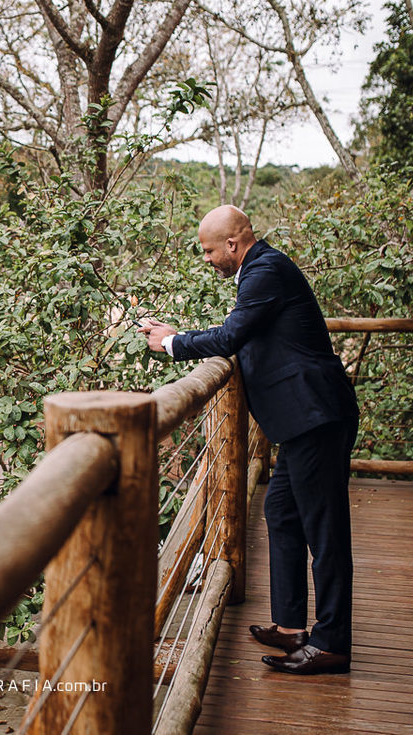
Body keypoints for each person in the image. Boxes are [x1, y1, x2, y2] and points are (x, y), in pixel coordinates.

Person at [139, 205, 359, 675]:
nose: (206, 258)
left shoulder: (266, 271)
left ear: (233, 246)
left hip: (315, 418)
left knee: (326, 532)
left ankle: (333, 642)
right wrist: (177, 335)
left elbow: (232, 335)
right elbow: (241, 334)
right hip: (304, 420)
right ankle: (290, 625)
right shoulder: (261, 271)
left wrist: (173, 344)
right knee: (281, 512)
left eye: (208, 249)